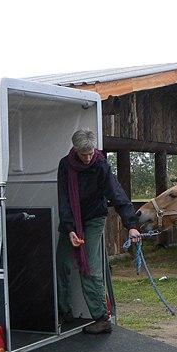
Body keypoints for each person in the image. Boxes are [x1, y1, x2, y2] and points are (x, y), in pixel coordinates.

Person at [56, 130, 141, 334]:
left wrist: (131, 225)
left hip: (94, 219)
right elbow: (64, 198)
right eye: (83, 154)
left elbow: (117, 193)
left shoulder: (100, 164)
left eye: (90, 153)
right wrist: (69, 229)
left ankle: (101, 318)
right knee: (62, 263)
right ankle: (63, 311)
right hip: (73, 221)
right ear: (75, 150)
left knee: (91, 267)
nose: (87, 158)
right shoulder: (65, 165)